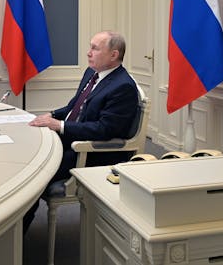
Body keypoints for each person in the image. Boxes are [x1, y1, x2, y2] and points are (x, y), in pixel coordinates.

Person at [24, 30, 139, 231]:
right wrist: (52, 115)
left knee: (32, 178)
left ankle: (17, 235)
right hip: (70, 139)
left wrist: (59, 126)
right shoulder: (92, 73)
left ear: (113, 55)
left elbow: (104, 130)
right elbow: (74, 106)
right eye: (90, 47)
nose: (88, 53)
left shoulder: (123, 86)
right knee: (28, 156)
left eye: (95, 48)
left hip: (88, 153)